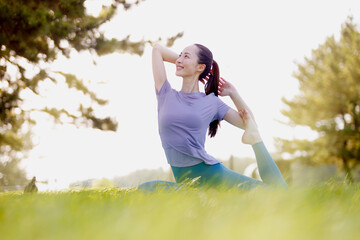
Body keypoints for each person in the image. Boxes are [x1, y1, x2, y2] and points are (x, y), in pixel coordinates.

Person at [138, 43, 288, 192]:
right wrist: (184, 61)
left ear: (200, 67)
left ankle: (256, 142)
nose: (179, 60)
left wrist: (234, 94)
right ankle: (199, 195)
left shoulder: (211, 102)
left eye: (186, 56)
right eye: (180, 55)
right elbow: (157, 49)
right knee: (144, 190)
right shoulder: (165, 94)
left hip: (212, 175)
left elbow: (250, 124)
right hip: (186, 183)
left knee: (277, 193)